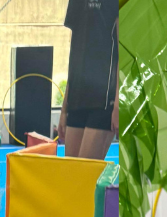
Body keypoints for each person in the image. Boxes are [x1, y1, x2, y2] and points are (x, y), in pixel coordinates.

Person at [58, 0, 119, 158]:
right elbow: (74, 51)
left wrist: (118, 104)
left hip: (104, 99)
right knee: (72, 174)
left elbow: (123, 51)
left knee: (86, 175)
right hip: (77, 98)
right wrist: (65, 109)